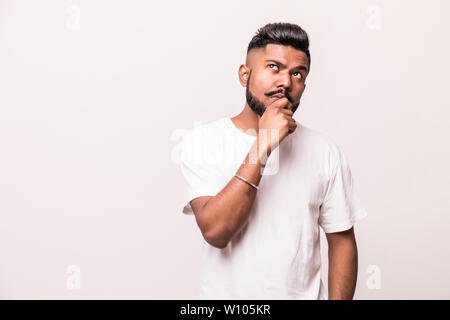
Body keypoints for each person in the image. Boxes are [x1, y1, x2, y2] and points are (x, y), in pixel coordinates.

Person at [179, 22, 368, 300]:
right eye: (273, 67)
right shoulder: (204, 141)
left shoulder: (325, 151)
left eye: (297, 74)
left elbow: (342, 244)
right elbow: (216, 232)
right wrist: (263, 144)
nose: (285, 82)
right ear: (245, 74)